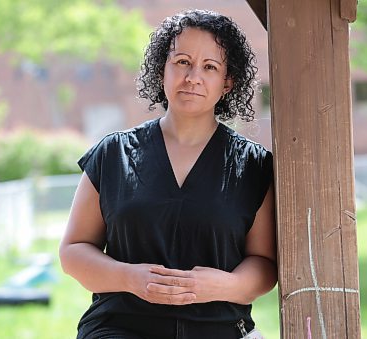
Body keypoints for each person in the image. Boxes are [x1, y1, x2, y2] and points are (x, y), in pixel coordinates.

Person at [59, 9, 276, 339]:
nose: (193, 77)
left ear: (227, 82)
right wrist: (129, 278)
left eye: (210, 67)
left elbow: (264, 262)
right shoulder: (113, 154)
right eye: (182, 62)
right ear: (162, 69)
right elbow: (73, 250)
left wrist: (225, 285)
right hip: (120, 328)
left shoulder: (254, 165)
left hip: (219, 329)